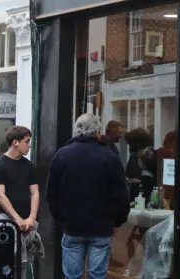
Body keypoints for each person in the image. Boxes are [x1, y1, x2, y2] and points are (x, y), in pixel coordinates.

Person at [46, 113, 130, 279]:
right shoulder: (109, 157)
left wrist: (61, 219)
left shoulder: (61, 156)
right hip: (101, 228)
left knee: (72, 276)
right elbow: (120, 194)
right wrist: (116, 221)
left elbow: (52, 194)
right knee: (97, 276)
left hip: (72, 227)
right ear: (98, 132)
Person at [0, 126, 41, 279]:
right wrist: (16, 219)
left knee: (24, 261)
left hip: (27, 219)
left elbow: (35, 193)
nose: (29, 145)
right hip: (6, 219)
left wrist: (31, 217)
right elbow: (0, 195)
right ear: (15, 143)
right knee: (10, 259)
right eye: (26, 141)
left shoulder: (29, 166)